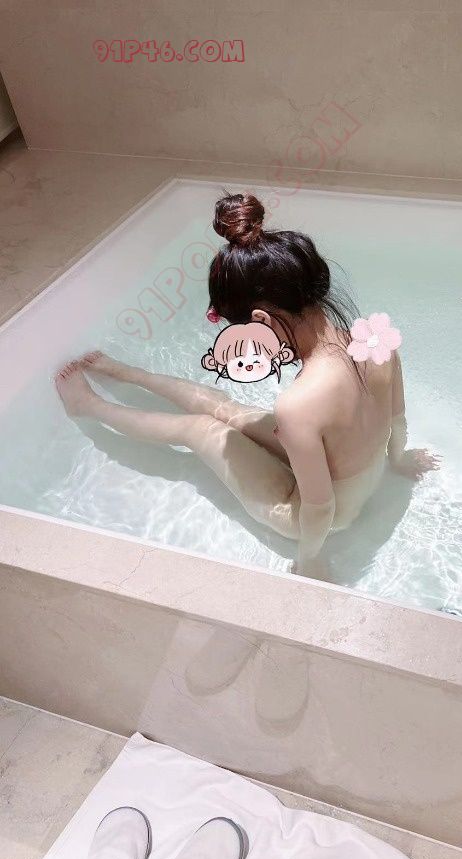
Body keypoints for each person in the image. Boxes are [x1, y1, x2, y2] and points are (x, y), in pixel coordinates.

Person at [55, 192, 439, 577]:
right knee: (230, 413)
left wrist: (309, 560)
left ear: (262, 320)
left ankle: (87, 406)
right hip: (360, 478)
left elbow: (319, 508)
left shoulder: (301, 404)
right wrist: (399, 460)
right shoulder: (374, 341)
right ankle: (128, 374)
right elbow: (397, 419)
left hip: (318, 515)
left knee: (199, 429)